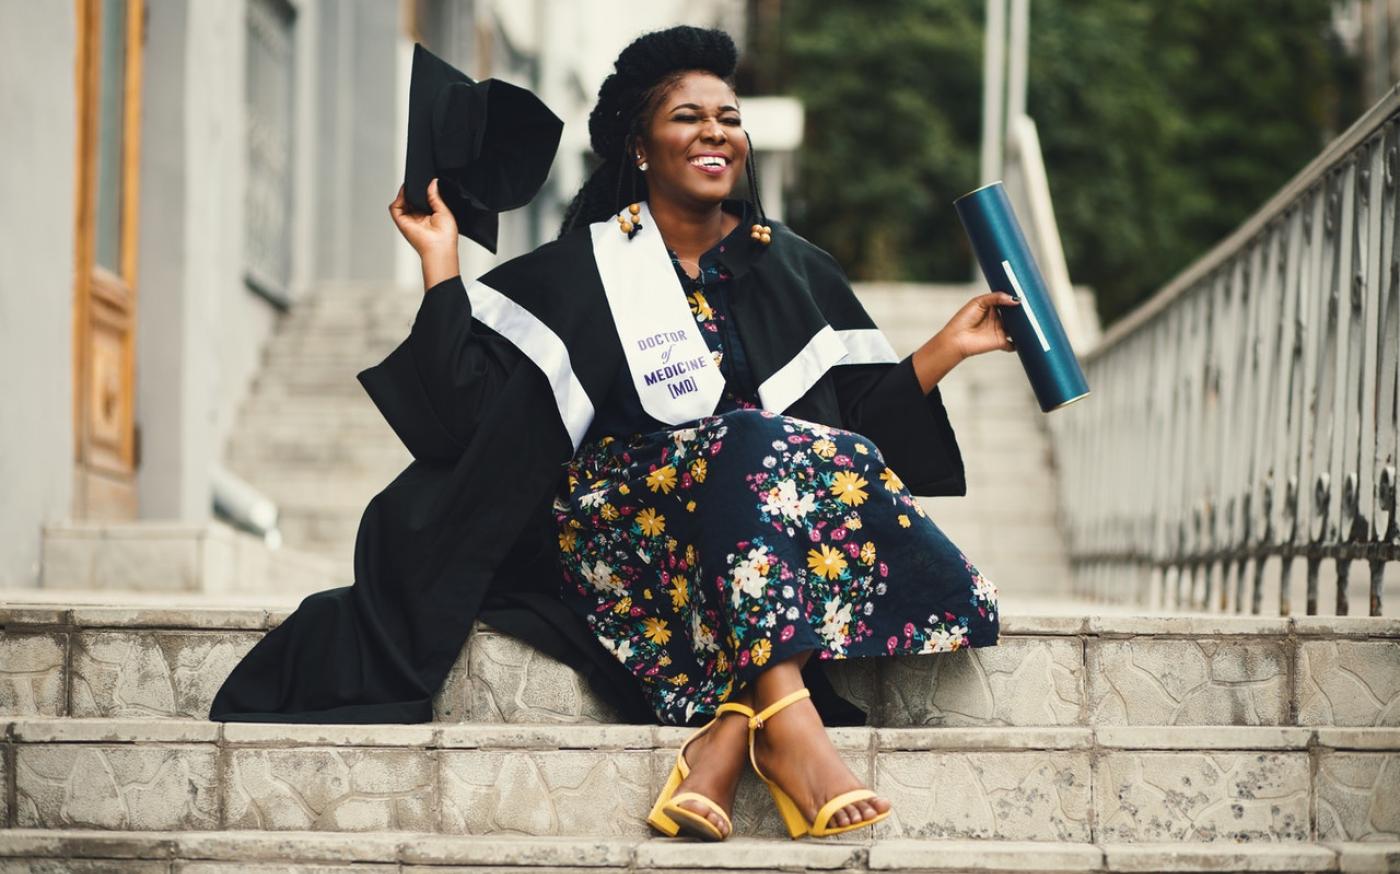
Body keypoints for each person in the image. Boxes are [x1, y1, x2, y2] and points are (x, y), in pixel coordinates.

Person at [212, 25, 1015, 842]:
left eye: (729, 117)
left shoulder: (799, 269)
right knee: (746, 443)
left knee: (791, 457)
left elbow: (850, 444)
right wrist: (440, 261)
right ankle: (793, 732)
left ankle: (737, 731)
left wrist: (947, 347)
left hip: (746, 538)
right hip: (619, 536)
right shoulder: (580, 271)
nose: (716, 132)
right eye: (687, 117)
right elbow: (463, 418)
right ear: (638, 145)